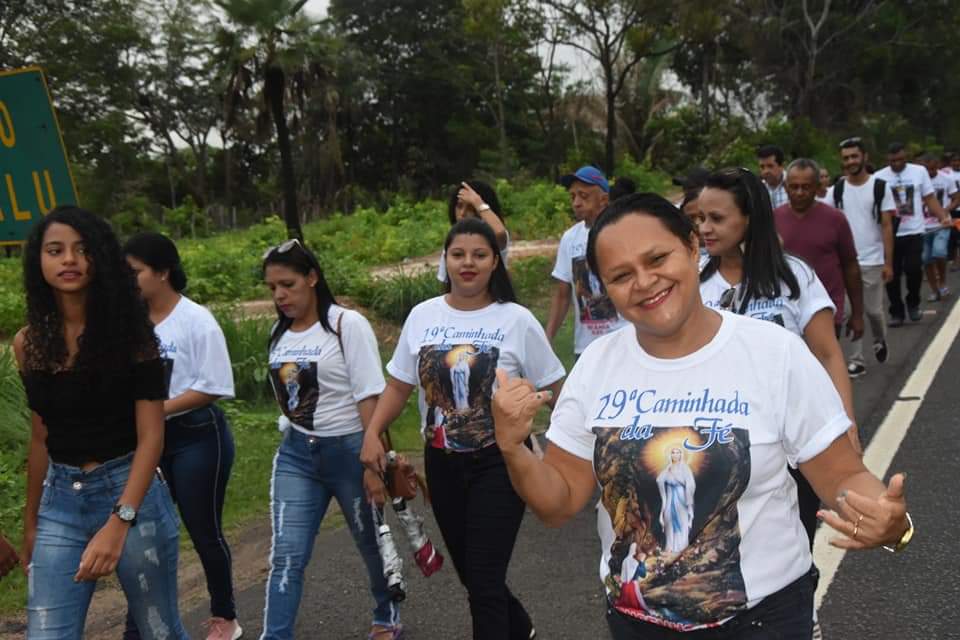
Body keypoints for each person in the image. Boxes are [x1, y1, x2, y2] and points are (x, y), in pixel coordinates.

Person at [492, 193, 914, 639]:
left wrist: (893, 525)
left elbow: (842, 475)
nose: (645, 282)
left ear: (693, 247)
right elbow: (558, 505)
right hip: (639, 622)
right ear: (605, 288)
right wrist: (512, 446)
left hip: (763, 621)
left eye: (657, 258)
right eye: (621, 275)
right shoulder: (596, 366)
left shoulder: (774, 353)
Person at [361, 218, 565, 639]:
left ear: (495, 263)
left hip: (502, 460)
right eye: (458, 254)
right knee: (473, 575)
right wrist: (372, 433)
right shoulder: (422, 316)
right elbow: (399, 385)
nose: (467, 263)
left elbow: (557, 387)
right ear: (445, 261)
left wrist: (570, 451)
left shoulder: (517, 320)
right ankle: (520, 626)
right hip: (442, 460)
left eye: (479, 255)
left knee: (485, 581)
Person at [16, 206, 188, 640]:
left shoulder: (133, 337)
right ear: (40, 261)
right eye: (55, 250)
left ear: (101, 260)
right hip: (60, 501)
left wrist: (119, 521)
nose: (69, 259)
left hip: (130, 493)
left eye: (82, 250)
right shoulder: (29, 343)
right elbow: (41, 435)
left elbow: (152, 436)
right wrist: (32, 523)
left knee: (159, 631)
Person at [697, 167, 861, 552]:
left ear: (750, 218)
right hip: (717, 447)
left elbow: (827, 353)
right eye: (700, 218)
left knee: (796, 542)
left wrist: (846, 423)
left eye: (717, 218)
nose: (705, 228)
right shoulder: (692, 283)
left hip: (791, 442)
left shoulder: (793, 276)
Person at [260, 239, 402, 640]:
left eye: (287, 284)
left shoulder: (346, 324)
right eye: (272, 288)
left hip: (349, 450)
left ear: (312, 277)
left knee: (369, 543)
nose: (280, 295)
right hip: (296, 455)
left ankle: (386, 614)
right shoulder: (277, 332)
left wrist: (372, 465)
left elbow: (369, 395)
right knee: (286, 554)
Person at [122, 233, 241, 640]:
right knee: (143, 536)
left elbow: (213, 385)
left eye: (133, 272)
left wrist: (153, 411)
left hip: (196, 438)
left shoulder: (196, 321)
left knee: (202, 529)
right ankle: (136, 627)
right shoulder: (128, 323)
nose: (127, 280)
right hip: (145, 445)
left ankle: (225, 617)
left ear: (162, 271)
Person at [775, 158, 864, 340]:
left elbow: (850, 266)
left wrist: (857, 314)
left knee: (824, 365)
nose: (799, 192)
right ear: (785, 187)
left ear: (817, 187)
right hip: (786, 312)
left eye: (806, 187)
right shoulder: (772, 219)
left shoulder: (836, 219)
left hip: (827, 309)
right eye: (794, 186)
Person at [829, 137, 895, 378]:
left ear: (864, 157)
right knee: (847, 311)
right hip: (845, 263)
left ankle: (879, 338)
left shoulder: (880, 187)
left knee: (873, 311)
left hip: (873, 260)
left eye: (854, 156)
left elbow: (887, 226)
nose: (850, 162)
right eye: (846, 158)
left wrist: (888, 262)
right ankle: (856, 359)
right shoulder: (835, 190)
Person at [546, 165, 627, 358]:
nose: (576, 202)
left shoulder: (621, 232)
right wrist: (547, 337)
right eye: (573, 196)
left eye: (584, 196)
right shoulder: (570, 238)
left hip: (624, 340)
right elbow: (562, 294)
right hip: (586, 347)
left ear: (603, 200)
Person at [875, 143, 952, 324]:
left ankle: (913, 303)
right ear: (887, 160)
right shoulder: (879, 177)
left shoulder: (919, 172)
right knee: (891, 275)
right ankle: (896, 312)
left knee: (913, 270)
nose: (897, 163)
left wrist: (942, 216)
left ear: (906, 156)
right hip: (890, 234)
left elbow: (929, 198)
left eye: (900, 159)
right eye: (893, 161)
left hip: (914, 231)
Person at [437, 180, 509, 282]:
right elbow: (446, 282)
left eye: (471, 207)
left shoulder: (492, 237)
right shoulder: (453, 239)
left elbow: (499, 232)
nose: (462, 213)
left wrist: (478, 202)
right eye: (459, 206)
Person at [919, 154, 960, 301]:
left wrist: (946, 210)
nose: (929, 172)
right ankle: (934, 289)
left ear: (936, 165)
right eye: (926, 168)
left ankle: (942, 282)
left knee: (940, 252)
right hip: (922, 226)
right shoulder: (918, 181)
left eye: (931, 168)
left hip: (942, 224)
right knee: (926, 259)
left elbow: (956, 198)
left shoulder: (946, 179)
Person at [757, 144, 788, 208]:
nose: (766, 171)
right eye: (762, 167)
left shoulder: (795, 186)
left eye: (770, 166)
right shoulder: (758, 190)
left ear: (782, 166)